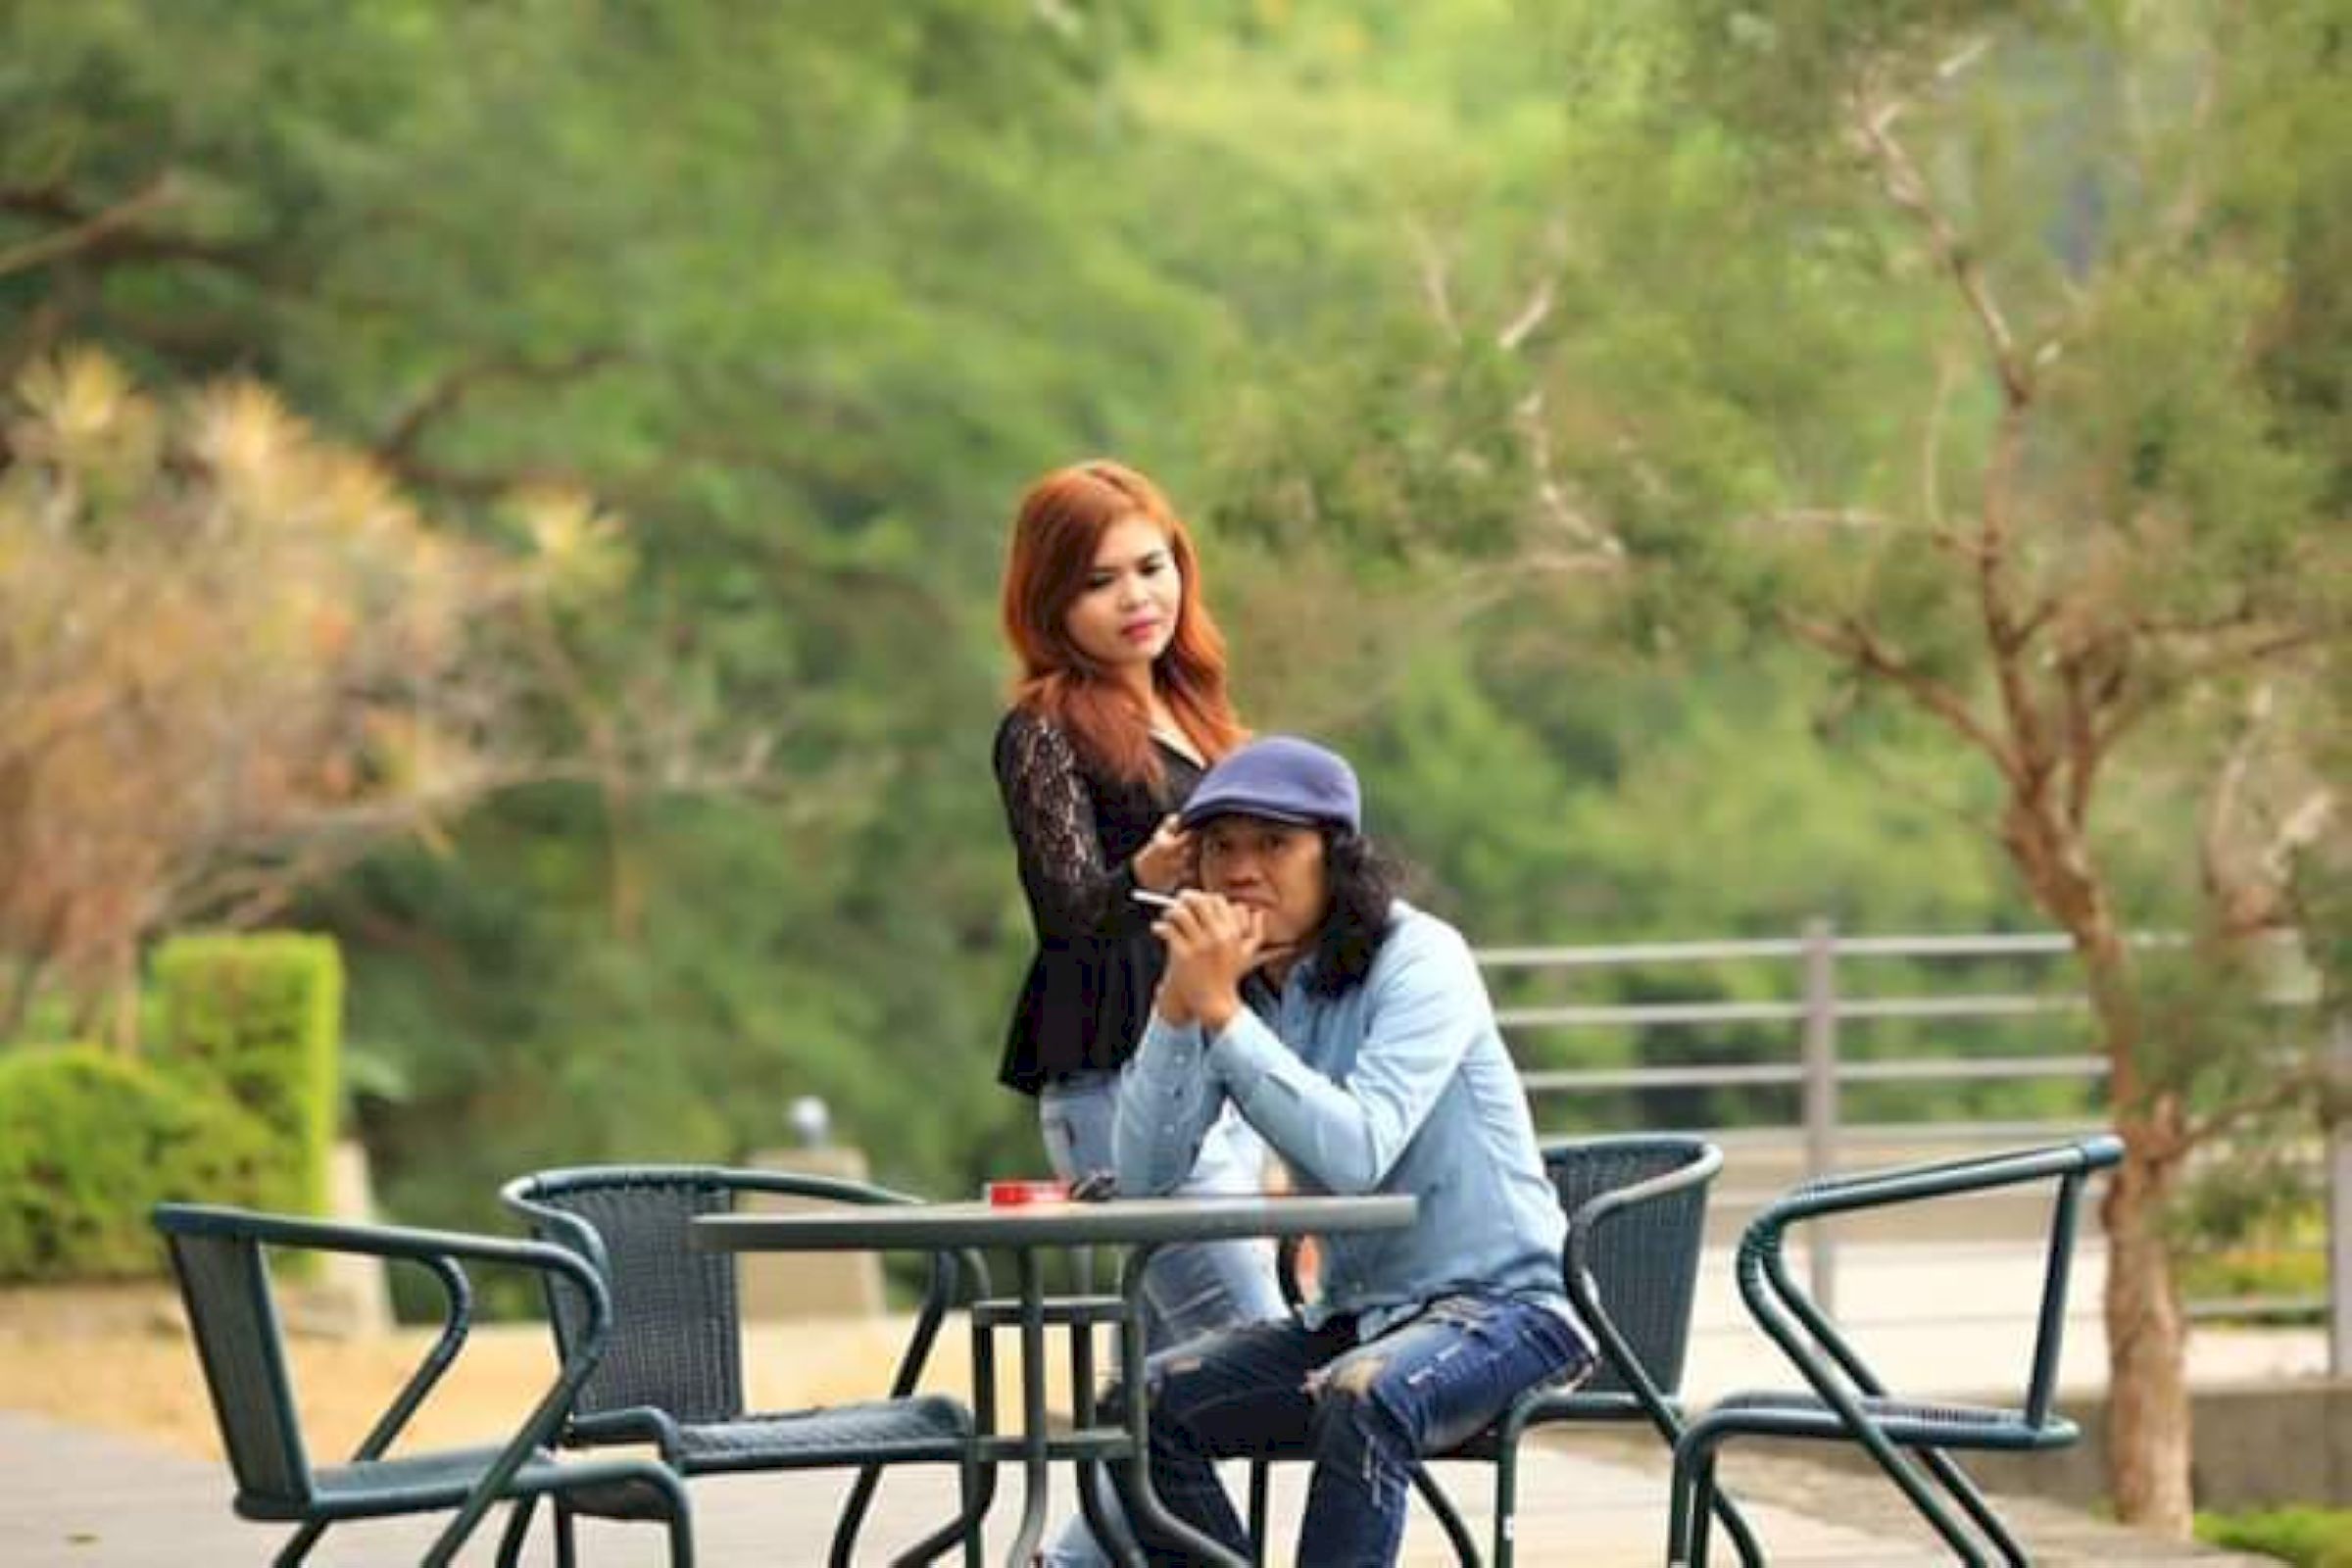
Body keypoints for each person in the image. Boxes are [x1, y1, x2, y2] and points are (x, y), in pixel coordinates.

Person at [1111, 735, 1595, 1568]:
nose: (1240, 871)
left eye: (1274, 844)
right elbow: (1145, 1178)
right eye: (1220, 847)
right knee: (1134, 1408)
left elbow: (1356, 1155)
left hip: (1512, 1310)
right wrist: (1177, 1003)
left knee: (1363, 1396)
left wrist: (1222, 1014)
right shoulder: (1239, 985)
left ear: (1335, 859)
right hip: (1354, 1317)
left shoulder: (1422, 957)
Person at [991, 460, 1286, 1563]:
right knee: (1256, 1354)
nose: (1135, 597)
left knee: (1166, 1399)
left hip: (1227, 1073)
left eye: (1152, 567)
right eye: (1100, 580)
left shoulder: (1204, 716)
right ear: (1050, 599)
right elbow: (1067, 914)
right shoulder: (1042, 729)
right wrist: (1147, 871)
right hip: (1121, 1084)